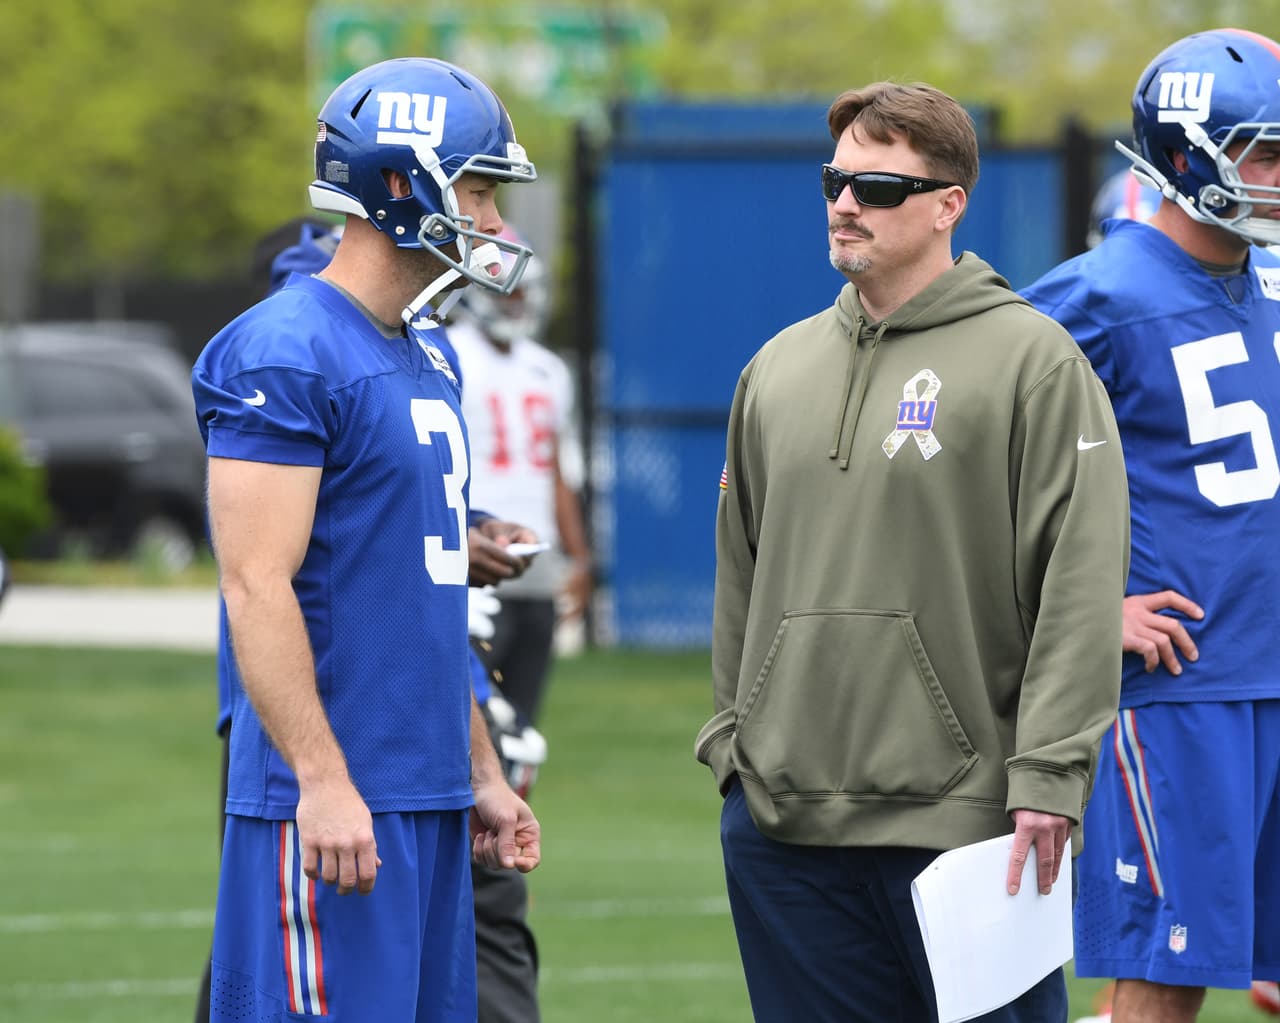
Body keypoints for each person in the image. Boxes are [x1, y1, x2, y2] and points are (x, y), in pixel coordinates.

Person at [693, 80, 1130, 1023]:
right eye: (835, 182)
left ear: (947, 205)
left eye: (879, 186)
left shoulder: (1036, 362)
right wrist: (735, 748)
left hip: (971, 828)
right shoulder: (774, 368)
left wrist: (1051, 775)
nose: (847, 204)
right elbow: (739, 572)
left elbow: (1080, 582)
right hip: (783, 828)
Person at [191, 57, 542, 1023]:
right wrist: (321, 779)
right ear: (399, 183)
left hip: (428, 791)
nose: (496, 222)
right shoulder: (283, 348)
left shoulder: (427, 352)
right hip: (339, 799)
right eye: (479, 190)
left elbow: (422, 601)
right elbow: (254, 584)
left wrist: (478, 769)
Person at [1020, 27, 1280, 1023]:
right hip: (1184, 687)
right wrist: (1089, 609)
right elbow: (967, 467)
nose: (1277, 176)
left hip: (1268, 665)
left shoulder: (1265, 284)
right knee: (1167, 976)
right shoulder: (1096, 294)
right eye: (1264, 152)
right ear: (1184, 154)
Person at [448, 228, 592, 726]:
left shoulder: (548, 369)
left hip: (537, 555)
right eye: (506, 290)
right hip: (476, 550)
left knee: (521, 723)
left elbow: (557, 470)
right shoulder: (449, 353)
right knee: (468, 717)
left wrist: (579, 557)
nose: (517, 301)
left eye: (523, 290)